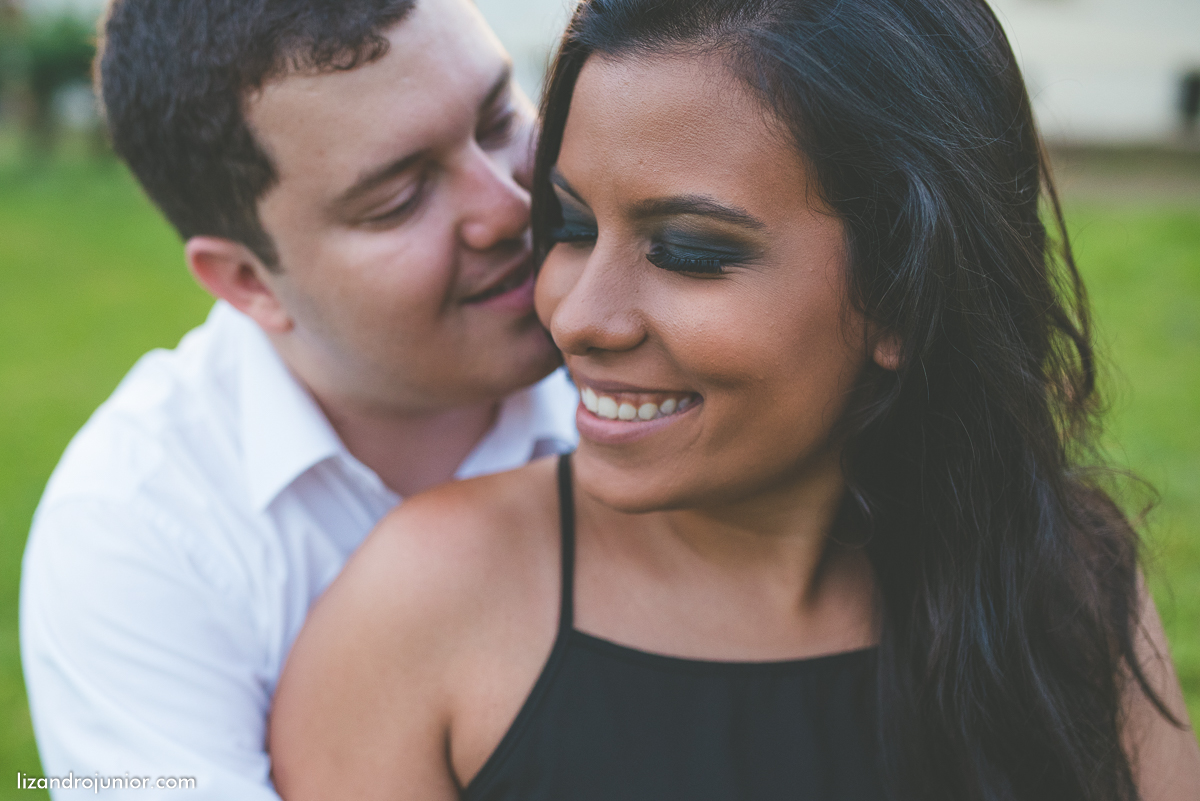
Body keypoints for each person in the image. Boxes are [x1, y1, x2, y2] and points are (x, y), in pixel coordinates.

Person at [269, 0, 1200, 799]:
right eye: (572, 225)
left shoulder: (1066, 584)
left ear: (906, 294)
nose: (579, 316)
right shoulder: (424, 611)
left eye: (690, 250)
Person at [19, 0, 578, 798]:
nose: (509, 208)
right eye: (398, 199)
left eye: (498, 114)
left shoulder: (670, 346)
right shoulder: (137, 533)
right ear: (248, 281)